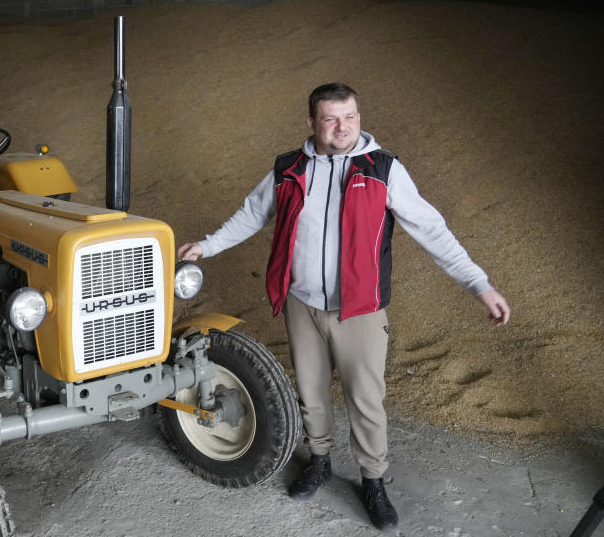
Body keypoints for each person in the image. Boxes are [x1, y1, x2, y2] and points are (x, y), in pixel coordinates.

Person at [177, 82, 509, 531]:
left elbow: (432, 229)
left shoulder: (383, 169)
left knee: (366, 400)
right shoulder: (289, 168)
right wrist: (209, 245)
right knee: (311, 393)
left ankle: (372, 479)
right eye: (330, 118)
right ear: (311, 122)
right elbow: (253, 213)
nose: (342, 127)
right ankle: (319, 461)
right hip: (302, 304)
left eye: (350, 116)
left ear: (359, 117)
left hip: (360, 311)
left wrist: (479, 284)